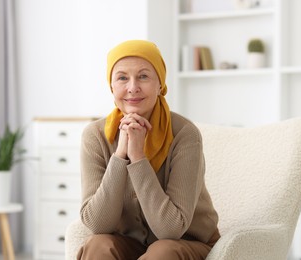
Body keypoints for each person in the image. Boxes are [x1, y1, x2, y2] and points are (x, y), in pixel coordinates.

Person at [77, 39, 220, 260]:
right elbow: (97, 223)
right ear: (112, 86)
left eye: (143, 76)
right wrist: (120, 155)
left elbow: (170, 230)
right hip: (128, 243)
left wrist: (137, 157)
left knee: (162, 252)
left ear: (160, 84)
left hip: (186, 243)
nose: (132, 87)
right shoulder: (95, 136)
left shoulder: (184, 134)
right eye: (122, 78)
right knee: (98, 245)